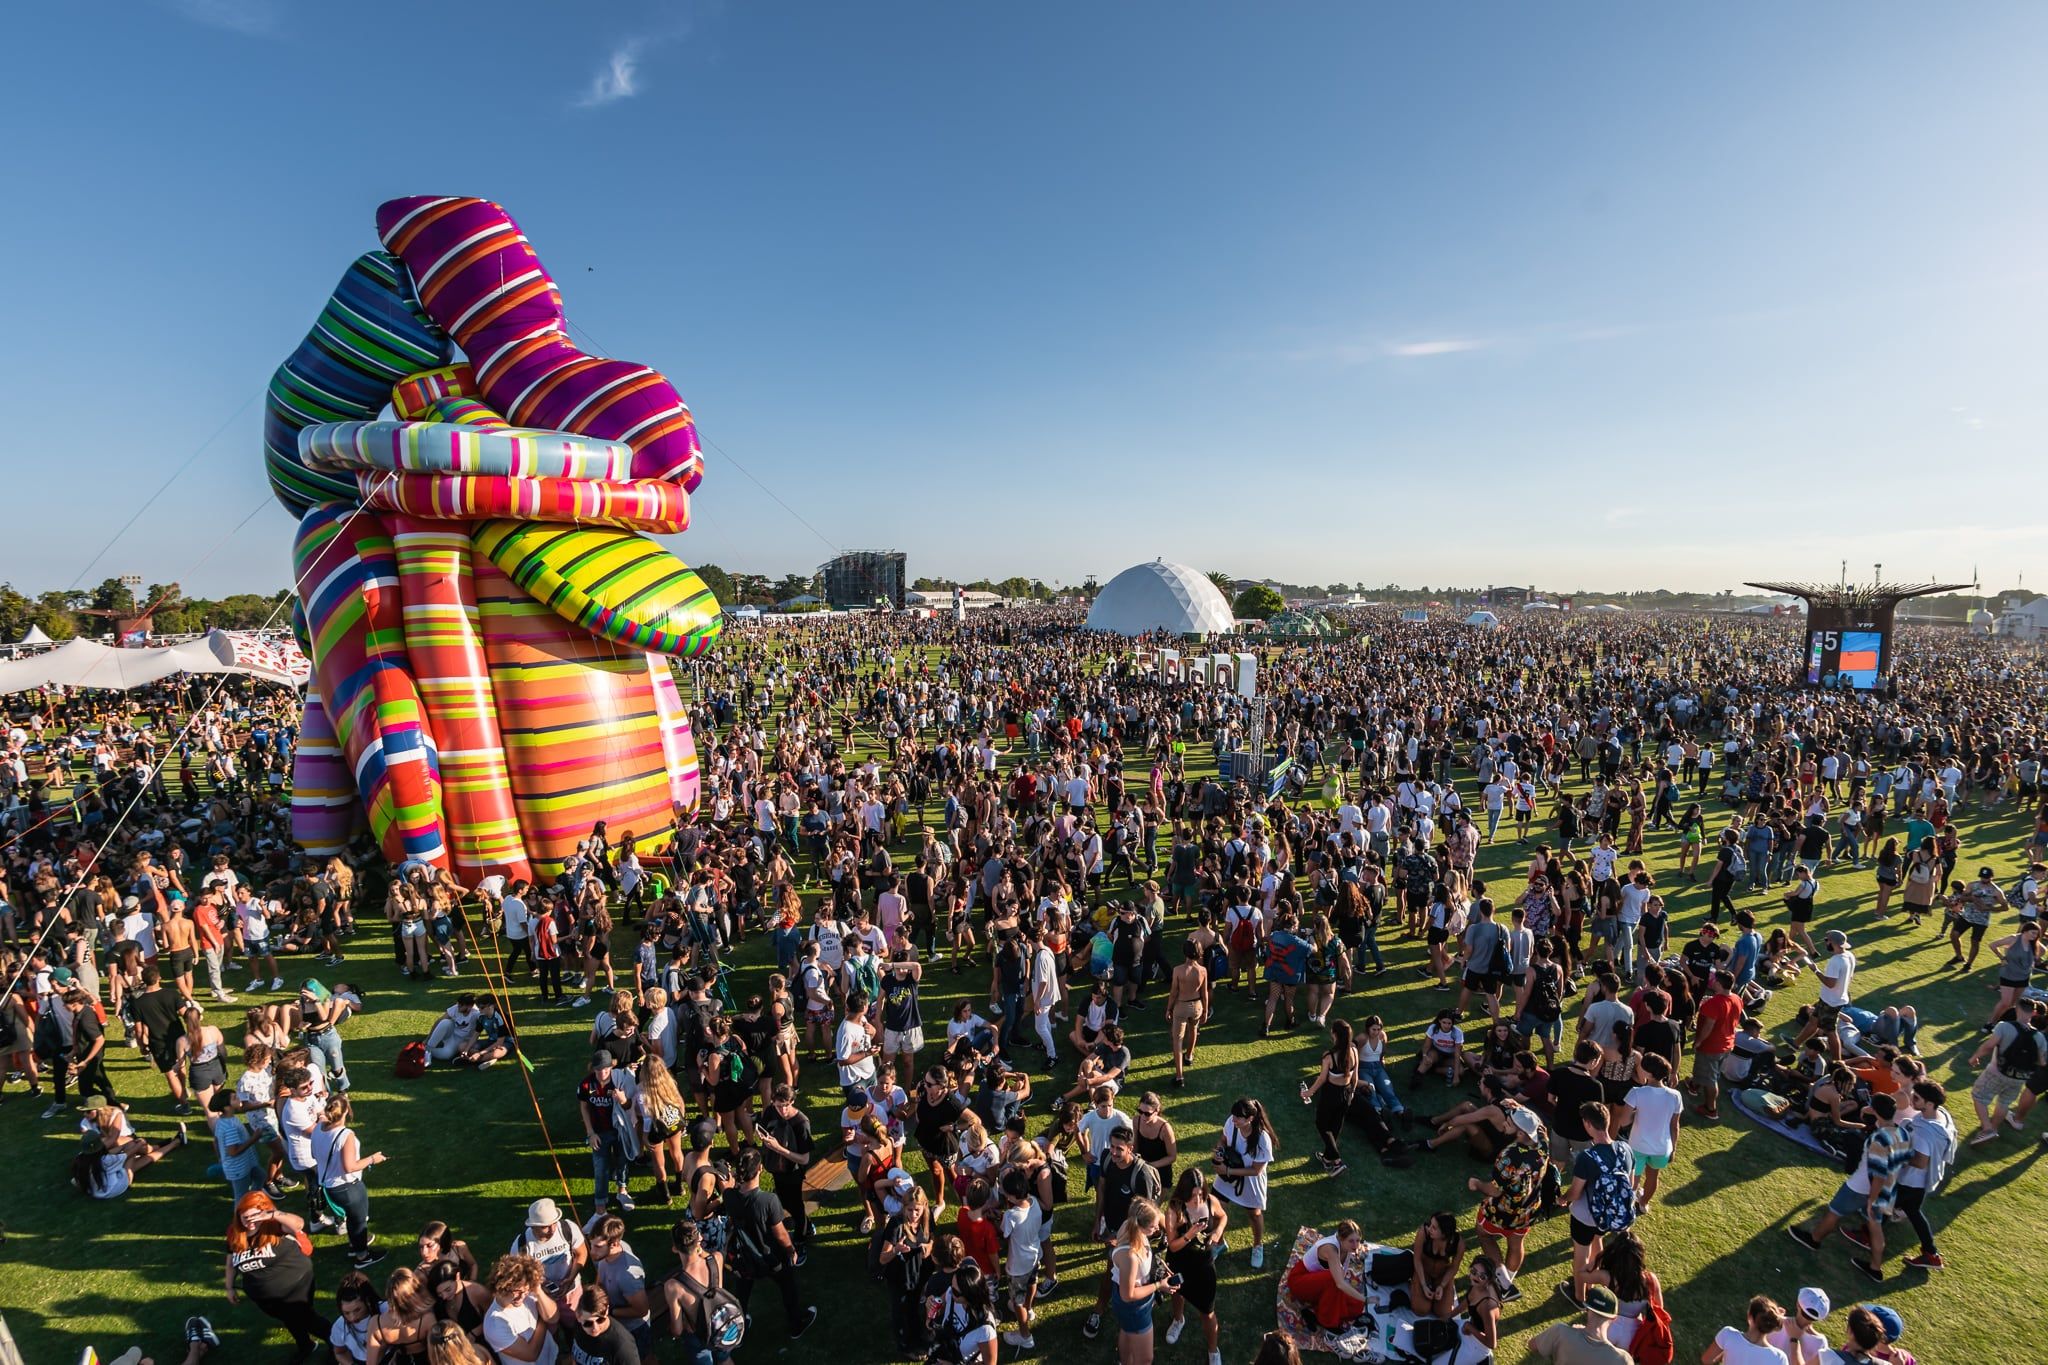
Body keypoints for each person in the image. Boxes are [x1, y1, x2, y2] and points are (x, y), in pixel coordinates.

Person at [1787, 1092, 1908, 1282]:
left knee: (1834, 1211)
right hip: (1888, 1189)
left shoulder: (1880, 1139)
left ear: (1875, 1111)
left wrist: (1871, 1199)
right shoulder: (1902, 1133)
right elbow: (1903, 1162)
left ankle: (1814, 1239)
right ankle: (1875, 1268)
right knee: (1875, 1227)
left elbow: (1878, 1173)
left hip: (1861, 1187)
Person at [721, 1146, 819, 1339]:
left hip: (744, 1256)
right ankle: (796, 1324)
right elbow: (781, 1234)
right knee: (787, 1286)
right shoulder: (768, 1201)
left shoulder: (729, 1196)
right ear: (760, 1170)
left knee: (742, 1293)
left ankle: (736, 1332)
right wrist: (791, 1250)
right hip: (770, 1256)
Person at [225, 1191, 325, 1363]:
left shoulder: (275, 1225)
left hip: (296, 1286)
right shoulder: (235, 1232)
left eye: (254, 1216)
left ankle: (338, 1345)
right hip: (266, 1299)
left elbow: (298, 1224)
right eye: (245, 1218)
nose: (250, 1222)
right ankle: (305, 1345)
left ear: (264, 1212)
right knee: (290, 1319)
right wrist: (229, 1286)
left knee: (307, 1319)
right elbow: (230, 1261)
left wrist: (273, 1215)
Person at [1561, 1102, 1634, 1307]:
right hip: (1609, 1215)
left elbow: (1575, 1193)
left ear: (1588, 1124)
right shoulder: (1625, 1149)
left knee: (1580, 1254)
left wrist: (1562, 1199)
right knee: (1597, 1242)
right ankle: (1592, 1285)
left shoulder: (1587, 1157)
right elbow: (1630, 1182)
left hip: (1585, 1216)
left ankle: (1579, 1295)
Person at [311, 1095, 388, 1270]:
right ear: (346, 1111)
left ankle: (355, 1246)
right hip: (348, 1188)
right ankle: (363, 1256)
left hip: (329, 1186)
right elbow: (350, 1167)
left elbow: (314, 1155)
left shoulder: (317, 1128)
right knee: (359, 1220)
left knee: (352, 1218)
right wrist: (372, 1159)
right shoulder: (346, 1135)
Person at [1161, 1167, 1227, 1365]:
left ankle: (1213, 1350)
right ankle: (1178, 1319)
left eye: (1200, 1194)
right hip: (1179, 1262)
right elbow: (1172, 1244)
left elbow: (1223, 1216)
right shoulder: (1175, 1209)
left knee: (1207, 1311)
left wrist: (1216, 1234)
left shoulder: (1210, 1202)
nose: (1197, 1199)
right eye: (1193, 1195)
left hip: (1203, 1265)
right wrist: (1190, 1234)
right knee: (1177, 1293)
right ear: (1183, 1192)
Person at [1965, 1000, 2045, 1146]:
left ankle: (1987, 1128)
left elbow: (1989, 1046)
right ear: (2033, 1013)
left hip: (1997, 1071)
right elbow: (2042, 1062)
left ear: (2017, 1009)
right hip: (2019, 1078)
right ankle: (1994, 1128)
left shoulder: (2005, 1027)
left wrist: (1975, 1057)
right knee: (2004, 1103)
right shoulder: (2039, 1037)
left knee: (1979, 1096)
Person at [1210, 1097, 1275, 1267]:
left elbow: (1256, 1170)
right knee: (1215, 1210)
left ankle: (1257, 1245)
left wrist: (1228, 1170)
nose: (1233, 1120)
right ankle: (1219, 1243)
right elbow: (1223, 1139)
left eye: (1238, 1117)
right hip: (1228, 1176)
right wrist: (1219, 1151)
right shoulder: (1232, 1123)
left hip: (1250, 1181)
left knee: (1254, 1215)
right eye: (1233, 1116)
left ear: (1250, 1119)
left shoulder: (1262, 1139)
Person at [1107, 1200, 1166, 1365]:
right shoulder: (1130, 1257)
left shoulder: (1129, 1226)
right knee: (1146, 1359)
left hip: (1129, 1305)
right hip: (1134, 1307)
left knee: (1127, 1330)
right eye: (1154, 1227)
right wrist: (1159, 1285)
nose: (1157, 1230)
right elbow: (1128, 1295)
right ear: (1141, 1225)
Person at [1284, 1219, 1368, 1331]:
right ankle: (1325, 1321)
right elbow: (1339, 1283)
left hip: (1318, 1281)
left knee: (1356, 1306)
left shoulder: (1346, 1248)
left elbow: (1340, 1278)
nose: (1356, 1245)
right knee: (1334, 1281)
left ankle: (1314, 1312)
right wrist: (1365, 1299)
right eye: (1351, 1241)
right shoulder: (1331, 1249)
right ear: (1341, 1239)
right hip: (1299, 1281)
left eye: (1358, 1241)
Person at [481, 1254, 559, 1365]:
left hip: (552, 1356)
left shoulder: (529, 1292)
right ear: (501, 1287)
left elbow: (553, 1318)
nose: (522, 1296)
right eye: (516, 1291)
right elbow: (531, 1354)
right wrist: (542, 1320)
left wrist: (538, 1291)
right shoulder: (495, 1324)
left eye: (526, 1290)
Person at [1528, 1285, 1632, 1364]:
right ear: (1614, 1318)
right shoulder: (1623, 1360)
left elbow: (1533, 1345)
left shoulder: (1560, 1331)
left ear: (1586, 1308)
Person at [1703, 1294, 1793, 1364]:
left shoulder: (1728, 1335)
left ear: (1749, 1316)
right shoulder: (1779, 1358)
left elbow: (1707, 1359)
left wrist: (1728, 1351)